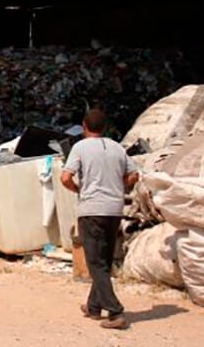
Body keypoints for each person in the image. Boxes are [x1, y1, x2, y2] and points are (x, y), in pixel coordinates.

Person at [60, 109, 138, 330]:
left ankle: (115, 312)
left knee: (95, 263)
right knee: (103, 259)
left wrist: (78, 189)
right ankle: (94, 306)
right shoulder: (117, 147)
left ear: (84, 126)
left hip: (92, 209)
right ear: (105, 127)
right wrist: (119, 186)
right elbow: (134, 175)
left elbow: (65, 177)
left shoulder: (80, 148)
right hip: (114, 209)